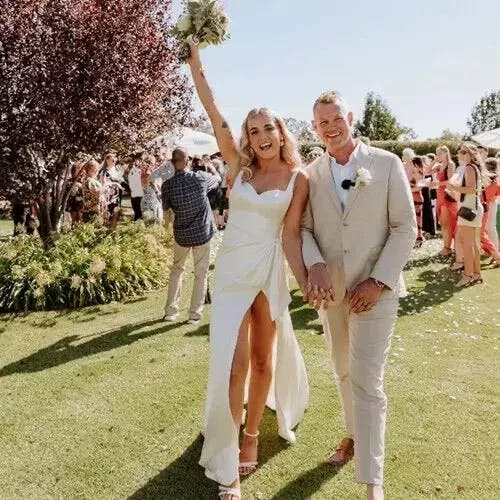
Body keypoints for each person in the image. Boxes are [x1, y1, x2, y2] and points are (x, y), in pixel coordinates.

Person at [187, 38, 309, 500]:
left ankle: (252, 434)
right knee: (232, 365)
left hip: (270, 270)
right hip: (233, 270)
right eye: (253, 130)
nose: (261, 137)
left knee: (262, 360)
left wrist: (307, 279)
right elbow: (214, 111)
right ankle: (227, 460)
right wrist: (196, 63)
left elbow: (292, 234)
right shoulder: (239, 166)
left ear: (281, 132)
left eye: (268, 128)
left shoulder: (298, 178)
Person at [302, 90, 416, 500]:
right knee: (343, 371)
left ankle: (372, 482)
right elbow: (304, 229)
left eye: (337, 119)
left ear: (350, 118)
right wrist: (315, 263)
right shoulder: (310, 174)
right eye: (323, 122)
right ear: (314, 127)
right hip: (332, 293)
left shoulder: (386, 164)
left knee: (367, 379)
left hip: (376, 292)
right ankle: (353, 435)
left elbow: (405, 227)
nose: (331, 128)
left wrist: (379, 281)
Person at [447, 142, 485, 286]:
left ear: (470, 154)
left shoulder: (469, 167)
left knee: (468, 244)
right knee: (473, 243)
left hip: (468, 209)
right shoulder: (473, 167)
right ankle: (476, 274)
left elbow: (471, 189)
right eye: (460, 152)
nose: (460, 154)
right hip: (472, 207)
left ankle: (468, 275)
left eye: (463, 152)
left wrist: (453, 187)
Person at [433, 146, 458, 257]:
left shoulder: (450, 165)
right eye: (436, 154)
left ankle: (447, 248)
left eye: (439, 154)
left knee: (447, 222)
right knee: (443, 223)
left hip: (446, 196)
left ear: (446, 153)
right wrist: (434, 160)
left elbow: (450, 181)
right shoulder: (439, 165)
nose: (438, 156)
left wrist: (437, 184)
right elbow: (427, 171)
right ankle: (447, 246)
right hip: (440, 194)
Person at [480, 157, 500, 266]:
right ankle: (491, 251)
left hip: (489, 205)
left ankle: (495, 253)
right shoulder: (491, 178)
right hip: (487, 204)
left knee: (490, 229)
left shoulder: (493, 179)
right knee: (488, 229)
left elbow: (495, 194)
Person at [149, 147, 175, 228]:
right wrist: (157, 191)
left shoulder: (165, 165)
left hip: (170, 197)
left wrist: (157, 191)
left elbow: (151, 178)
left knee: (168, 222)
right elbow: (151, 178)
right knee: (169, 222)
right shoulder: (165, 166)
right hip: (169, 197)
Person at [98, 151, 123, 229]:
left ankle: (113, 231)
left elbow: (121, 181)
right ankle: (105, 231)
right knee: (107, 215)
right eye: (112, 160)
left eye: (115, 160)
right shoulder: (104, 171)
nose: (114, 161)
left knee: (116, 214)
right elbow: (103, 184)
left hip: (116, 196)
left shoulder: (116, 170)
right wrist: (114, 184)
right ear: (107, 160)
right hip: (107, 196)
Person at [141, 155, 163, 221]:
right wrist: (157, 191)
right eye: (154, 162)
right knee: (154, 212)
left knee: (147, 212)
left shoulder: (142, 169)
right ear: (151, 162)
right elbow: (151, 181)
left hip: (145, 192)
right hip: (151, 193)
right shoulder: (149, 170)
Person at [410, 156, 426, 246]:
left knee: (417, 218)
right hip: (412, 197)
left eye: (413, 164)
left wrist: (408, 190)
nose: (411, 166)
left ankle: (419, 238)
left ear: (416, 164)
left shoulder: (421, 174)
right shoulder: (414, 173)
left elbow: (419, 188)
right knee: (414, 218)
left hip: (417, 198)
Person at [127, 153, 144, 221]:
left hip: (139, 191)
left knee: (139, 210)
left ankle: (139, 222)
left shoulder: (141, 169)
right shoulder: (131, 169)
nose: (133, 162)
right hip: (134, 191)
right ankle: (137, 222)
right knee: (136, 210)